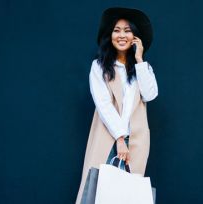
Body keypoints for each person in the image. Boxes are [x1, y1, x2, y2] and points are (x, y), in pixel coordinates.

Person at [75, 7, 158, 203]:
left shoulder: (142, 69)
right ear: (109, 35)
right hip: (109, 136)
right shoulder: (100, 66)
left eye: (127, 30)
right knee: (95, 192)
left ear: (135, 37)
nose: (122, 35)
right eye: (116, 30)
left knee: (127, 195)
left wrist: (139, 60)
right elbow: (103, 103)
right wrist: (120, 138)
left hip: (136, 141)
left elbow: (150, 95)